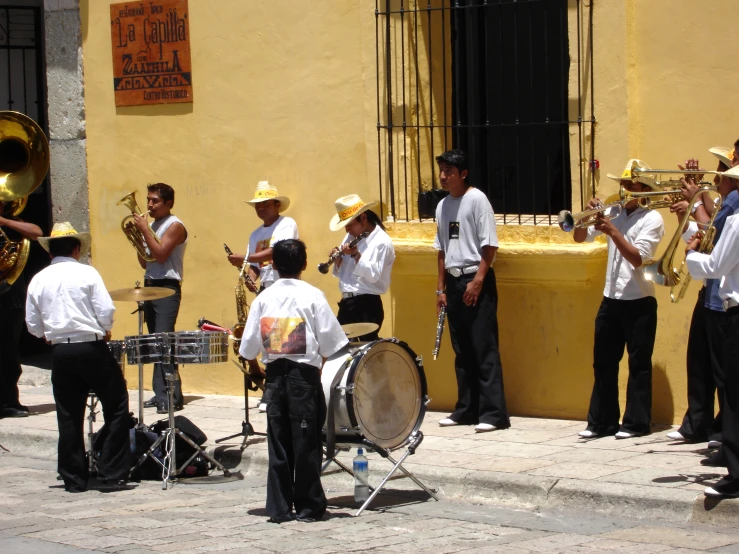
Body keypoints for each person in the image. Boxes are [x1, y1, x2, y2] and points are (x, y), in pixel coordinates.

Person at [239, 239, 348, 522]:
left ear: (273, 265)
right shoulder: (313, 295)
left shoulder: (264, 298)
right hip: (303, 378)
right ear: (304, 265)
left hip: (275, 378)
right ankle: (310, 506)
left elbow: (248, 348)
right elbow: (332, 343)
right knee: (306, 443)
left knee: (279, 443)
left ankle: (279, 507)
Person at [25, 222, 131, 492]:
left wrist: (47, 334)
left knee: (68, 414)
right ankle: (112, 472)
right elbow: (106, 310)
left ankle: (74, 478)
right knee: (116, 404)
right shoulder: (87, 273)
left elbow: (32, 323)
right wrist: (104, 328)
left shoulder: (38, 279)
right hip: (90, 346)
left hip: (61, 350)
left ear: (50, 253)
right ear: (76, 249)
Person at [575, 160, 665, 439]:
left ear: (645, 190)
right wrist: (585, 216)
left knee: (638, 365)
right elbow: (579, 237)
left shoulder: (652, 219)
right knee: (602, 362)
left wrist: (612, 231)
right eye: (623, 184)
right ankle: (601, 422)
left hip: (639, 301)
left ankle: (636, 424)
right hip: (610, 298)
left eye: (631, 185)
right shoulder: (612, 211)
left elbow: (638, 258)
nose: (624, 190)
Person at [667, 143, 739, 446]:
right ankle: (699, 423)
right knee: (700, 364)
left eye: (728, 165)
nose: (725, 167)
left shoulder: (734, 199)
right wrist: (697, 200)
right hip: (712, 291)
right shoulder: (729, 197)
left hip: (722, 295)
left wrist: (695, 203)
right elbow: (713, 225)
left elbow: (716, 234)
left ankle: (724, 435)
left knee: (723, 374)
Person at [434, 149, 510, 433]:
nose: (443, 176)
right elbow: (441, 249)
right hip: (453, 283)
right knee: (461, 348)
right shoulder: (442, 206)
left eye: (449, 172)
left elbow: (489, 244)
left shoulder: (477, 200)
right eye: (442, 171)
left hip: (475, 278)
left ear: (463, 173)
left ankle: (493, 413)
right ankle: (466, 409)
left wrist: (478, 281)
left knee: (483, 346)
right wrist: (439, 289)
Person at [685, 165, 739, 497]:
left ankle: (736, 474)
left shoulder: (735, 220)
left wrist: (691, 254)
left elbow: (717, 266)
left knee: (733, 397)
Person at [134, 183, 188, 414]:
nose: (149, 205)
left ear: (168, 203)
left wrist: (144, 230)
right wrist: (137, 237)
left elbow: (162, 254)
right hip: (150, 284)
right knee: (155, 341)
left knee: (164, 341)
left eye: (154, 200)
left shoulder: (174, 226)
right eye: (148, 200)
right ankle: (163, 393)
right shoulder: (153, 225)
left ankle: (170, 395)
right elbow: (146, 262)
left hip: (167, 286)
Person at [328, 194, 395, 341]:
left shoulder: (382, 242)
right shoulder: (351, 236)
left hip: (367, 305)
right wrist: (338, 260)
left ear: (363, 218)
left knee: (364, 354)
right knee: (340, 350)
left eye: (350, 224)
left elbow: (373, 275)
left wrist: (355, 255)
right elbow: (344, 274)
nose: (347, 230)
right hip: (347, 304)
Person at [0, 200, 42, 418]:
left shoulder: (13, 224)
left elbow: (37, 233)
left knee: (8, 351)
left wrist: (4, 222)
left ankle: (8, 402)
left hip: (9, 295)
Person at [227, 181, 298, 292]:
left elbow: (277, 252)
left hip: (286, 286)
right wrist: (251, 278)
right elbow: (255, 266)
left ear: (277, 205)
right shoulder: (255, 234)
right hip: (265, 289)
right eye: (258, 205)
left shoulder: (287, 223)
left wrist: (244, 259)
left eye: (266, 204)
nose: (261, 208)